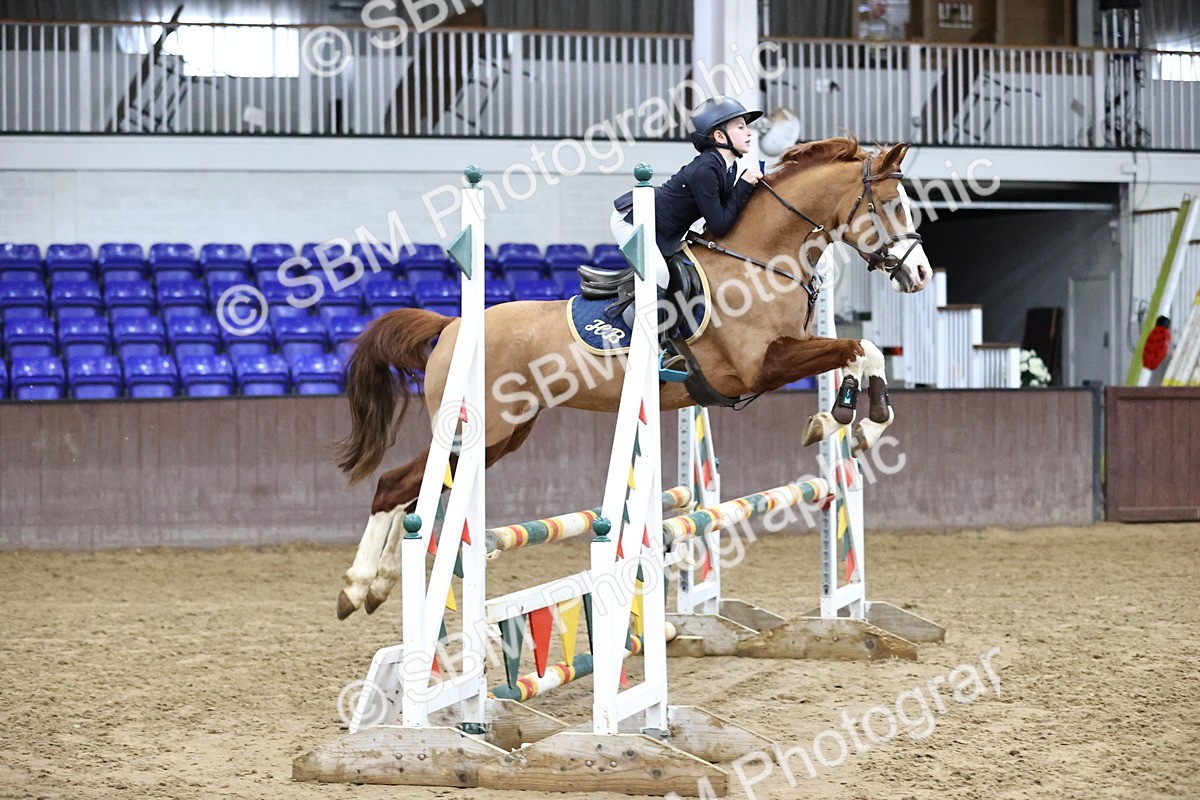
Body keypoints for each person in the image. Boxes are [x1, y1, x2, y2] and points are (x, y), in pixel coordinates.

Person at [611, 96, 764, 259]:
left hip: (660, 226)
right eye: (741, 127)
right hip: (633, 219)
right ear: (720, 136)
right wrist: (743, 184)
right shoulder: (705, 170)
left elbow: (727, 212)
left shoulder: (730, 167)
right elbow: (720, 225)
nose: (748, 132)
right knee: (660, 275)